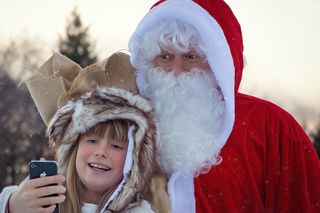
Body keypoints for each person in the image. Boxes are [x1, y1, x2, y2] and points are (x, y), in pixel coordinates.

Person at [128, 0, 320, 212]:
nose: (176, 71)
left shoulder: (270, 126)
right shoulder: (125, 125)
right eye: (165, 57)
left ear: (217, 63)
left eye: (191, 57)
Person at [0, 52, 157, 213]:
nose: (101, 152)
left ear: (133, 160)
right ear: (73, 147)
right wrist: (12, 206)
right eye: (92, 141)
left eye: (116, 146)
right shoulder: (40, 200)